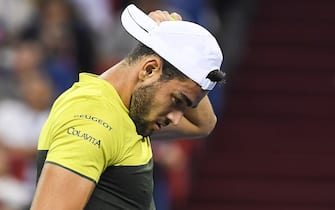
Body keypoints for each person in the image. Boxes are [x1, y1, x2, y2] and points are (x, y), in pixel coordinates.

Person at [30, 4, 225, 210]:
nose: (176, 118)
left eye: (186, 107)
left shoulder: (129, 113)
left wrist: (174, 46)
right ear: (149, 70)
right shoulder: (92, 119)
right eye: (177, 100)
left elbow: (204, 123)